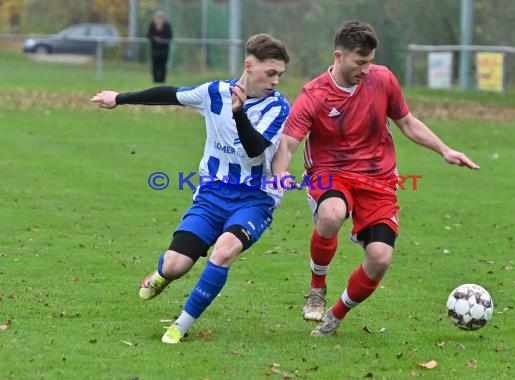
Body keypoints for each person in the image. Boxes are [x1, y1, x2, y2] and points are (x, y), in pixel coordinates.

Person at [272, 20, 479, 336]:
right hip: (331, 173)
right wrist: (280, 172)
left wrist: (445, 150)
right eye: (360, 62)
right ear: (338, 56)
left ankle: (335, 315)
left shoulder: (383, 80)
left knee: (380, 258)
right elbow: (288, 141)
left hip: (378, 178)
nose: (367, 69)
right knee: (331, 214)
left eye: (370, 62)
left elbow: (407, 123)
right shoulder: (314, 94)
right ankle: (317, 287)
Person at [91, 34, 290, 344]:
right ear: (249, 65)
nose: (276, 81)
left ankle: (181, 324)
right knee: (174, 265)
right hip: (212, 196)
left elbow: (254, 150)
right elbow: (170, 94)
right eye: (271, 73)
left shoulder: (277, 108)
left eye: (280, 75)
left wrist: (238, 114)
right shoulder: (214, 92)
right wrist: (120, 98)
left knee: (225, 250)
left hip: (254, 199)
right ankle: (160, 275)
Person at [146, 11, 173, 83]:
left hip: (164, 50)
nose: (159, 20)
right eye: (158, 18)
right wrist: (155, 39)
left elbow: (170, 36)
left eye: (161, 18)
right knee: (155, 65)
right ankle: (155, 80)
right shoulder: (152, 25)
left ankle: (162, 80)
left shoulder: (167, 26)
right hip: (155, 50)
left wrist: (162, 40)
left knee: (163, 65)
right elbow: (148, 35)